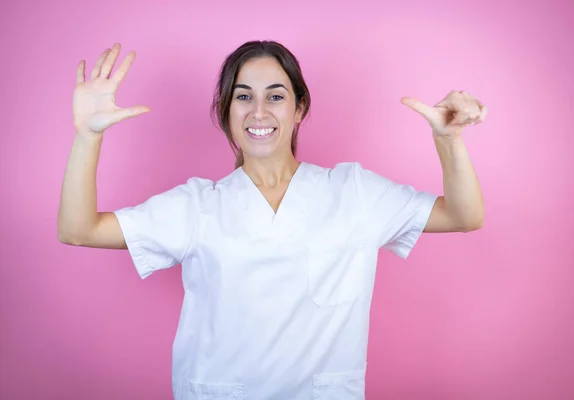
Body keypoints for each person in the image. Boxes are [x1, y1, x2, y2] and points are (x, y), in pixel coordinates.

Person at [58, 40, 487, 400]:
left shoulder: (355, 192)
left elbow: (464, 215)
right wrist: (87, 136)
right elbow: (79, 230)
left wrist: (448, 141)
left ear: (299, 108)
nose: (258, 111)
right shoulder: (196, 206)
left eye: (276, 96)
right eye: (243, 96)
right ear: (226, 110)